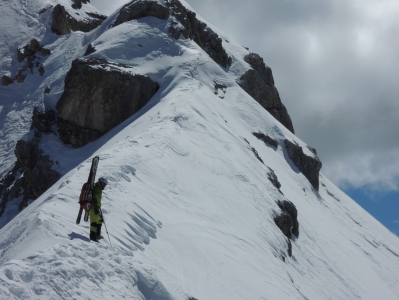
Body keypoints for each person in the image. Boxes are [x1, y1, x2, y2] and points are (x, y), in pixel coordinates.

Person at [89, 177, 108, 242]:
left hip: (95, 207)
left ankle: (97, 235)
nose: (104, 186)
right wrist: (97, 207)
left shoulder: (97, 187)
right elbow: (98, 198)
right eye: (104, 184)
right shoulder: (98, 189)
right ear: (102, 183)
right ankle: (93, 237)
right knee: (94, 223)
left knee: (100, 220)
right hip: (93, 207)